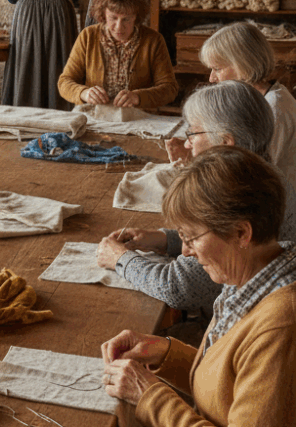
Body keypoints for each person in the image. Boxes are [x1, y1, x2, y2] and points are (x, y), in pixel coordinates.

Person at [100, 146, 296, 427]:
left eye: (191, 237)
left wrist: (149, 396)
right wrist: (165, 352)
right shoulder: (252, 276)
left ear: (241, 233)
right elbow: (231, 387)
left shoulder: (281, 327)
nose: (185, 251)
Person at [97, 80, 296, 320]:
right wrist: (165, 239)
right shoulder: (264, 173)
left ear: (225, 142)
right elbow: (219, 234)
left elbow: (180, 287)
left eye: (193, 133)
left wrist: (120, 259)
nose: (187, 143)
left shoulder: (233, 190)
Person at [199, 21, 296, 185]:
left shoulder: (274, 107)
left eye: (217, 69)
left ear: (243, 65)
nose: (211, 78)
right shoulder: (253, 99)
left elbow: (255, 175)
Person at [58, 0, 178, 109]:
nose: (119, 27)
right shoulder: (88, 36)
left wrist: (138, 97)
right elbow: (64, 82)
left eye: (126, 19)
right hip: (94, 115)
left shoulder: (153, 40)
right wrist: (84, 93)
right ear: (104, 13)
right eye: (113, 18)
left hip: (138, 117)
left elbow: (170, 89)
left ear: (136, 16)